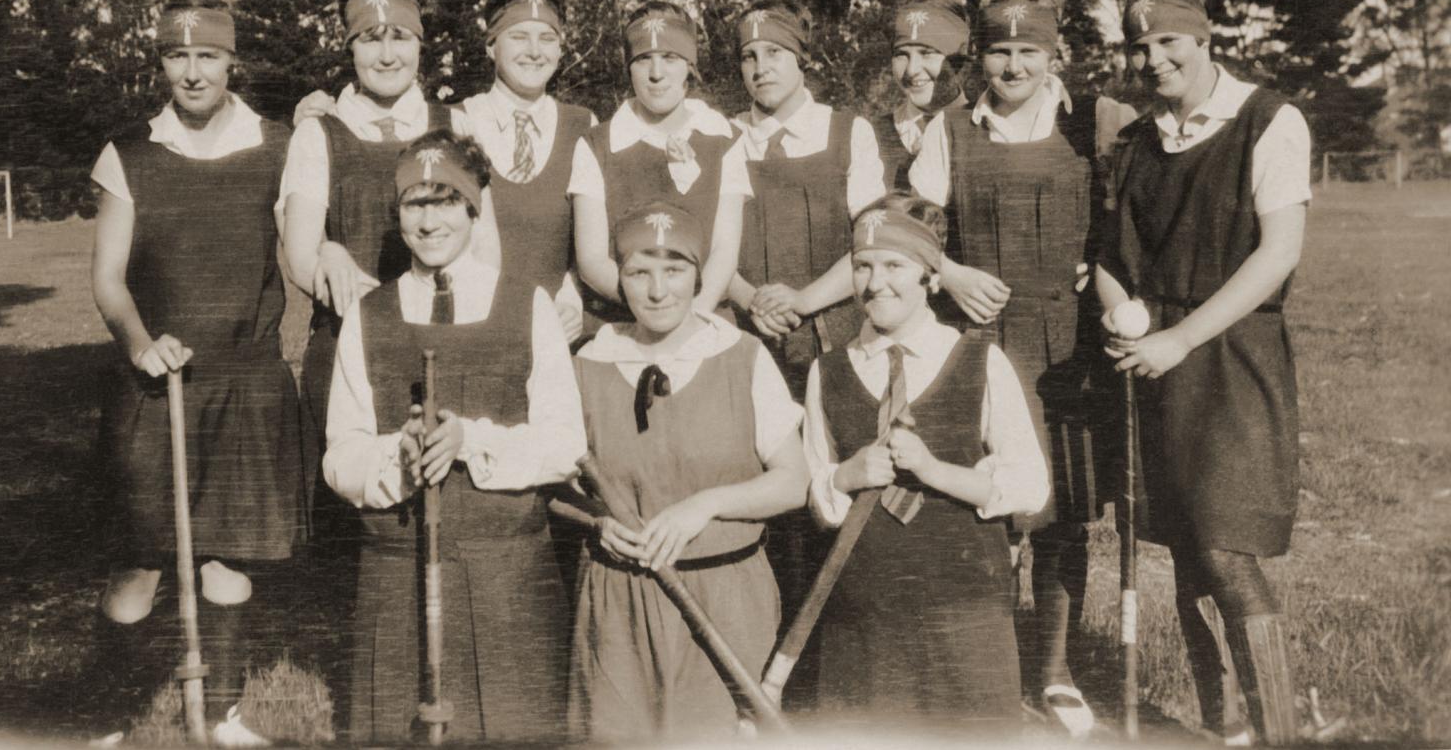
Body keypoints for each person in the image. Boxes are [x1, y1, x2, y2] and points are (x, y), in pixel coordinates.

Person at [906, 0, 1122, 735]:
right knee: (987, 506)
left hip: (1069, 348)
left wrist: (1103, 263)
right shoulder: (951, 130)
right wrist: (949, 269)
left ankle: (1057, 671)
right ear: (980, 58)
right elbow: (908, 225)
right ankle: (990, 665)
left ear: (1056, 51)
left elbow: (1137, 208)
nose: (1014, 67)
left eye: (1030, 51)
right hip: (983, 346)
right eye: (999, 52)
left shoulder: (1094, 121)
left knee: (1064, 511)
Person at [1097, 0, 1308, 746]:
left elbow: (1279, 254)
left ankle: (1279, 729)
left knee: (1224, 546)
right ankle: (1226, 730)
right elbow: (1109, 257)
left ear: (1205, 38)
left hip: (1233, 358)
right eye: (1139, 46)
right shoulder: (1133, 142)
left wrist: (1181, 338)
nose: (1153, 60)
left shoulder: (1268, 120)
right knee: (1185, 550)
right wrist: (1119, 310)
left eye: (1168, 42)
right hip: (1154, 360)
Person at [90, 0, 303, 745]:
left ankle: (223, 716)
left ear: (231, 61)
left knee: (227, 559)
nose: (191, 71)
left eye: (206, 55)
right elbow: (109, 280)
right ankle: (110, 720)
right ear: (161, 64)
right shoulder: (130, 153)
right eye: (176, 55)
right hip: (158, 384)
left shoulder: (278, 146)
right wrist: (140, 343)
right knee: (140, 567)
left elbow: (305, 250)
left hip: (245, 381)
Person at [322, 130, 586, 743]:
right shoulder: (369, 314)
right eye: (416, 202)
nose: (430, 219)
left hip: (506, 571)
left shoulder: (528, 305)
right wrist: (397, 455)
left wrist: (470, 439)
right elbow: (341, 455)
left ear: (474, 207)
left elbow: (565, 441)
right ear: (398, 213)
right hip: (398, 571)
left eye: (446, 201)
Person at [802, 193, 1048, 734]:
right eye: (862, 266)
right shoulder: (829, 371)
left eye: (895, 265)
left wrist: (934, 471)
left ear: (931, 276)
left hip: (966, 611)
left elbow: (1030, 485)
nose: (875, 283)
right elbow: (819, 496)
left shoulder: (978, 359)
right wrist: (847, 476)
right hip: (864, 616)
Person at [568, 199, 806, 741]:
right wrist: (596, 522)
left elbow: (795, 480)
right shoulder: (587, 362)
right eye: (639, 273)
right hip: (617, 604)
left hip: (725, 600)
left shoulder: (741, 354)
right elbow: (557, 484)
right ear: (618, 280)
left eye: (674, 271)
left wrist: (705, 504)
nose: (658, 291)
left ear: (698, 276)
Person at [279, 0, 471, 464]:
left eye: (400, 37)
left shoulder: (455, 125)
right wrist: (329, 249)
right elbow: (300, 255)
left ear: (421, 44)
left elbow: (482, 242)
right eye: (370, 39)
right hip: (346, 348)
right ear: (350, 47)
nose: (387, 55)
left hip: (443, 343)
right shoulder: (318, 133)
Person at [728, 0, 885, 395]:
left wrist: (803, 300)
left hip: (840, 338)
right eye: (749, 56)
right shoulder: (721, 137)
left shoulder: (849, 132)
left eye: (774, 53)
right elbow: (705, 246)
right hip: (746, 338)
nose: (760, 69)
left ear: (802, 58)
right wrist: (751, 302)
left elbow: (873, 244)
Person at [570, 2, 750, 324]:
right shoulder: (596, 145)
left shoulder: (724, 139)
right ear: (629, 68)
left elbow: (724, 252)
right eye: (642, 60)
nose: (656, 74)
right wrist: (655, 308)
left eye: (670, 58)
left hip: (704, 320)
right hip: (622, 322)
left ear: (689, 66)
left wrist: (691, 317)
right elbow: (592, 260)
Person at [454, 0, 597, 341]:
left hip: (561, 336)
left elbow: (596, 242)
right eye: (518, 36)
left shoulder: (583, 125)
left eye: (547, 38)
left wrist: (573, 298)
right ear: (490, 44)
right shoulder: (456, 122)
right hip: (477, 332)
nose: (534, 51)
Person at [873, 0, 971, 193]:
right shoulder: (870, 136)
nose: (912, 70)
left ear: (957, 60)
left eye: (927, 53)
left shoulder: (983, 129)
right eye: (901, 55)